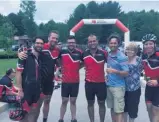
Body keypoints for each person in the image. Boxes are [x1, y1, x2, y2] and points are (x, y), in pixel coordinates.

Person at [18, 31, 60, 122]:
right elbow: (27, 50)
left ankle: (44, 120)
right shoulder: (42, 46)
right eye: (53, 37)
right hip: (38, 82)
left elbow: (58, 62)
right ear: (48, 38)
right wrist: (19, 53)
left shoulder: (58, 50)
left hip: (49, 82)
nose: (55, 40)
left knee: (47, 102)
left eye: (56, 38)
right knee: (35, 107)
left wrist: (58, 72)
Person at [16, 36, 44, 122]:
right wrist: (20, 89)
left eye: (41, 43)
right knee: (24, 113)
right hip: (26, 89)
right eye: (37, 43)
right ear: (33, 44)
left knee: (33, 111)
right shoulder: (25, 55)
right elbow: (18, 73)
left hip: (36, 89)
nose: (39, 45)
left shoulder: (42, 56)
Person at [82, 34, 107, 122]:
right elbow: (79, 64)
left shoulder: (104, 53)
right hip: (89, 84)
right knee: (90, 103)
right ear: (88, 43)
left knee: (101, 103)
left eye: (94, 41)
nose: (92, 43)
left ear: (97, 41)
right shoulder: (84, 53)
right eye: (90, 41)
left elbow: (112, 64)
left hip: (101, 83)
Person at [58, 36, 82, 122]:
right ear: (67, 43)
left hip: (75, 81)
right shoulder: (62, 51)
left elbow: (83, 63)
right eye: (70, 42)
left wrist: (77, 68)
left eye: (73, 42)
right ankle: (61, 118)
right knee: (64, 100)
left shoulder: (79, 52)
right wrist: (61, 66)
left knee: (73, 101)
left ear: (75, 43)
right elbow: (58, 60)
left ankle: (73, 118)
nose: (71, 44)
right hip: (65, 81)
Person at [106, 33, 129, 122]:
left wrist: (115, 72)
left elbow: (126, 73)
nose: (113, 45)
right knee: (112, 108)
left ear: (118, 44)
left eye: (115, 43)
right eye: (111, 43)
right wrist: (107, 76)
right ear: (108, 44)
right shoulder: (109, 54)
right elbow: (110, 70)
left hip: (118, 87)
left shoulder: (121, 57)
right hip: (109, 86)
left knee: (119, 111)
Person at [124, 42, 143, 122]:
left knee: (133, 109)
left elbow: (142, 69)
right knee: (124, 108)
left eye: (132, 50)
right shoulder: (123, 59)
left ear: (135, 51)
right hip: (124, 88)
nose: (129, 51)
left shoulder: (139, 59)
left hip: (135, 89)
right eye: (128, 49)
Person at [142, 34, 159, 122]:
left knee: (155, 110)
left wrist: (157, 82)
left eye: (150, 43)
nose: (148, 46)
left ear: (154, 44)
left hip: (158, 88)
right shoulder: (143, 56)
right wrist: (146, 79)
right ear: (144, 45)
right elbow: (144, 71)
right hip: (149, 88)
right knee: (149, 109)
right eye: (146, 44)